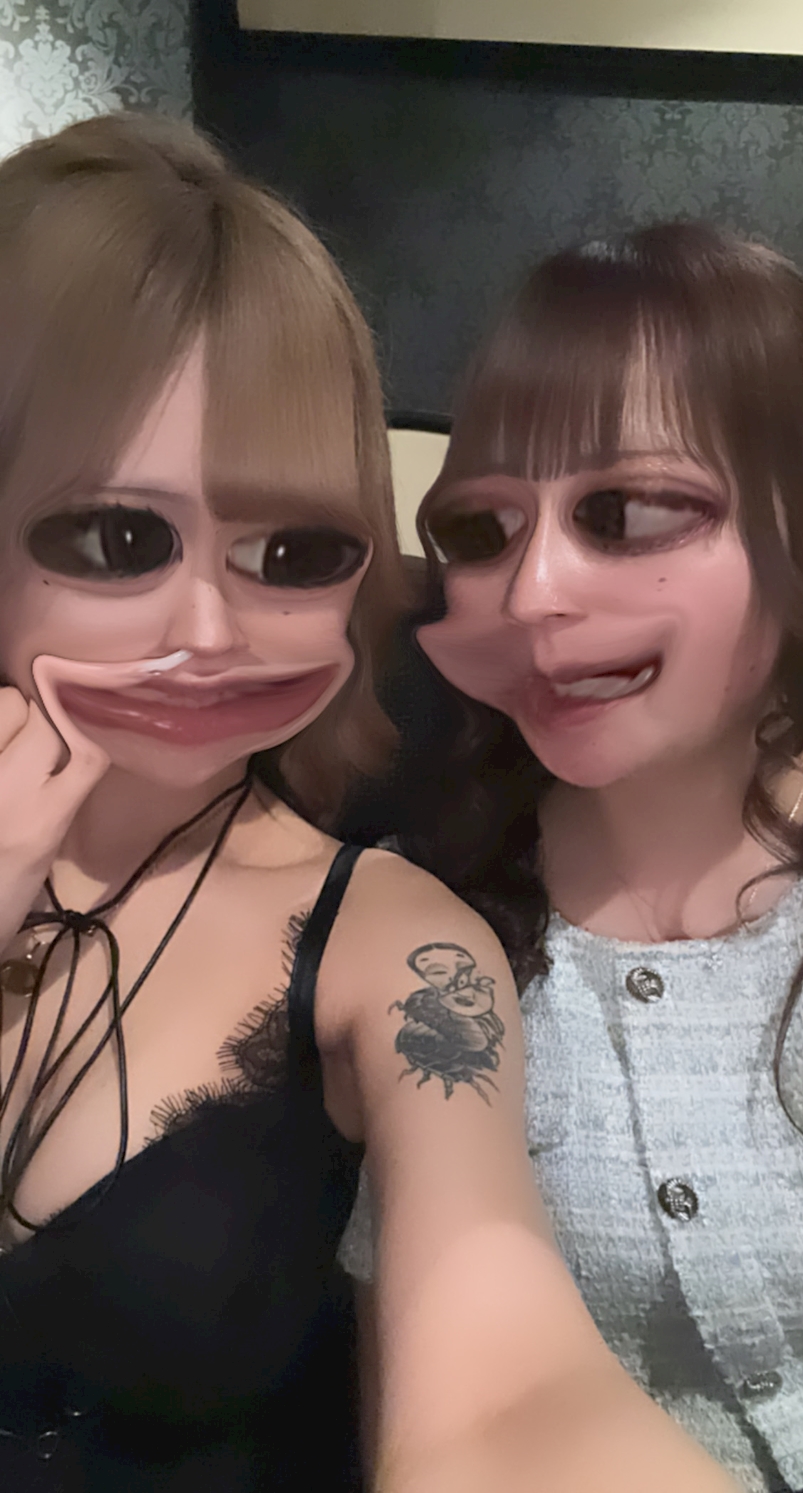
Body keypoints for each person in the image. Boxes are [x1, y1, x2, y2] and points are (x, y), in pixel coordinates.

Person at [0, 119, 741, 1493]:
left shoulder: (395, 942)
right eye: (117, 538)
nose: (210, 630)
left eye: (294, 551)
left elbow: (509, 1386)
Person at [339, 224, 803, 1493]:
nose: (529, 594)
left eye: (626, 512)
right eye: (481, 528)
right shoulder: (421, 928)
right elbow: (426, 1407)